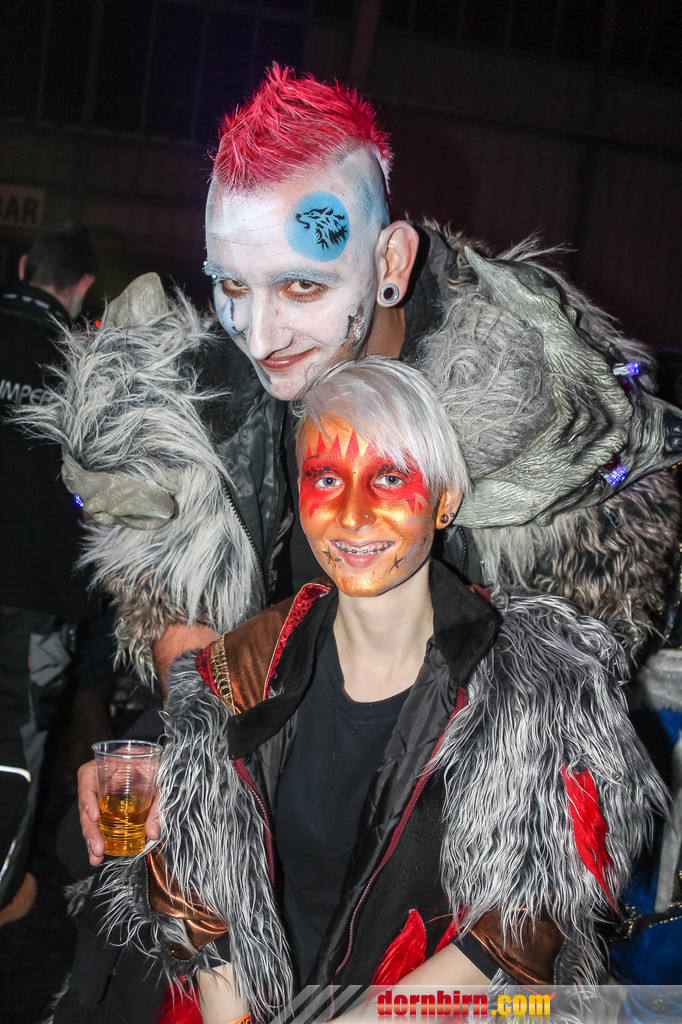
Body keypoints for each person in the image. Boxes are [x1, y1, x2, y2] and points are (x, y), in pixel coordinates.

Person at [21, 67, 682, 993]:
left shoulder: (528, 418)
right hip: (266, 830)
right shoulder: (208, 402)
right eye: (231, 286)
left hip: (439, 864)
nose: (260, 334)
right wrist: (175, 742)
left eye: (301, 285)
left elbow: (551, 748)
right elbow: (189, 639)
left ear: (392, 263)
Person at [96, 358, 665, 1023]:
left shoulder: (535, 686)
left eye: (389, 478)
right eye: (326, 478)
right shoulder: (240, 671)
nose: (352, 515)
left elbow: (521, 930)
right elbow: (203, 895)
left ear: (445, 499)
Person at [0, 220, 95, 922]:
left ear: (25, 266)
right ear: (83, 285)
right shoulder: (80, 362)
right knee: (14, 744)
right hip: (33, 598)